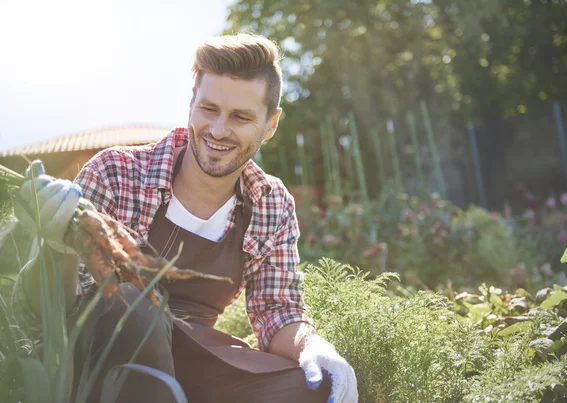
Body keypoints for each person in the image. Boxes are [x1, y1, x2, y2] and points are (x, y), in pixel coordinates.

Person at [11, 33, 358, 403]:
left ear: (270, 125)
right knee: (134, 304)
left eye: (240, 117)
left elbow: (275, 311)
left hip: (197, 361)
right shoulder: (115, 172)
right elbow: (54, 311)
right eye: (209, 109)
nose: (219, 130)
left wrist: (312, 345)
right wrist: (56, 247)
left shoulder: (270, 203)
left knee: (318, 385)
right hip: (103, 363)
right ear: (192, 102)